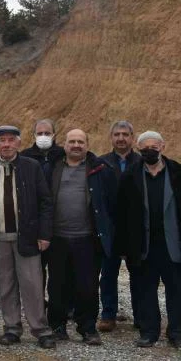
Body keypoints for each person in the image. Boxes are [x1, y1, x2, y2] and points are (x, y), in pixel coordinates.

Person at [0, 125, 56, 349]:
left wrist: (44, 234)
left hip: (27, 237)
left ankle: (41, 329)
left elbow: (45, 202)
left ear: (19, 143)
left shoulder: (32, 167)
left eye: (11, 140)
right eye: (2, 140)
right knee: (6, 285)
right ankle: (11, 328)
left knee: (32, 284)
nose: (7, 144)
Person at [46, 129, 116, 345]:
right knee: (57, 286)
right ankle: (57, 326)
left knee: (87, 287)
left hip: (87, 238)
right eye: (72, 141)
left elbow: (111, 206)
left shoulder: (100, 170)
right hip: (57, 238)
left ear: (87, 144)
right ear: (64, 144)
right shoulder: (52, 168)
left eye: (80, 141)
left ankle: (87, 328)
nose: (76, 145)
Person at [116, 131, 181, 349]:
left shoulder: (177, 173)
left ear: (163, 146)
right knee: (145, 290)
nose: (149, 151)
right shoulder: (130, 176)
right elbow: (121, 215)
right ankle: (149, 332)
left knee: (177, 289)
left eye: (154, 147)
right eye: (145, 148)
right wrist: (123, 246)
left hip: (173, 244)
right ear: (139, 149)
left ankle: (177, 332)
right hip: (142, 245)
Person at [98, 120, 141, 332]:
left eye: (125, 134)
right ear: (111, 138)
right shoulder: (101, 163)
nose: (121, 138)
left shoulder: (142, 162)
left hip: (135, 230)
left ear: (132, 138)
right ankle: (108, 314)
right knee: (108, 275)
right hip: (110, 228)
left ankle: (142, 316)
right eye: (117, 134)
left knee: (140, 275)